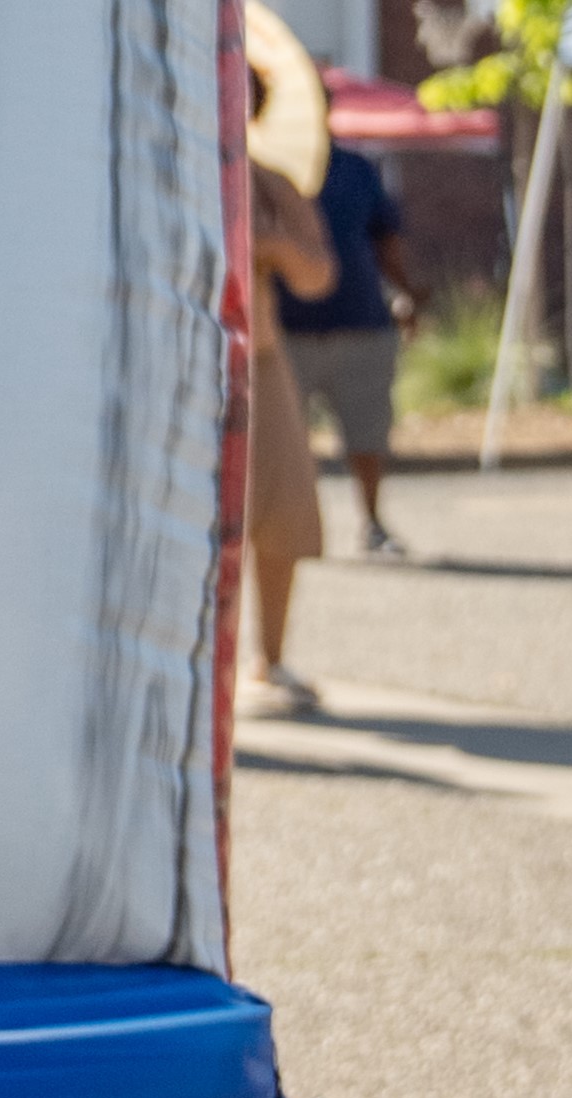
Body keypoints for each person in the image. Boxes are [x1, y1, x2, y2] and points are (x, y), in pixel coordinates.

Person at [280, 141, 424, 557]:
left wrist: (407, 291)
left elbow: (384, 236)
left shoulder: (355, 167)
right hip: (287, 330)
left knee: (368, 434)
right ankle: (290, 531)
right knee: (284, 443)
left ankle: (373, 523)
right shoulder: (265, 164)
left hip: (361, 321)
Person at [249, 154, 340, 712]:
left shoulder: (268, 182)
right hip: (165, 360)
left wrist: (271, 244)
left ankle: (270, 657)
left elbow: (317, 278)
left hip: (256, 357)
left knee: (283, 506)